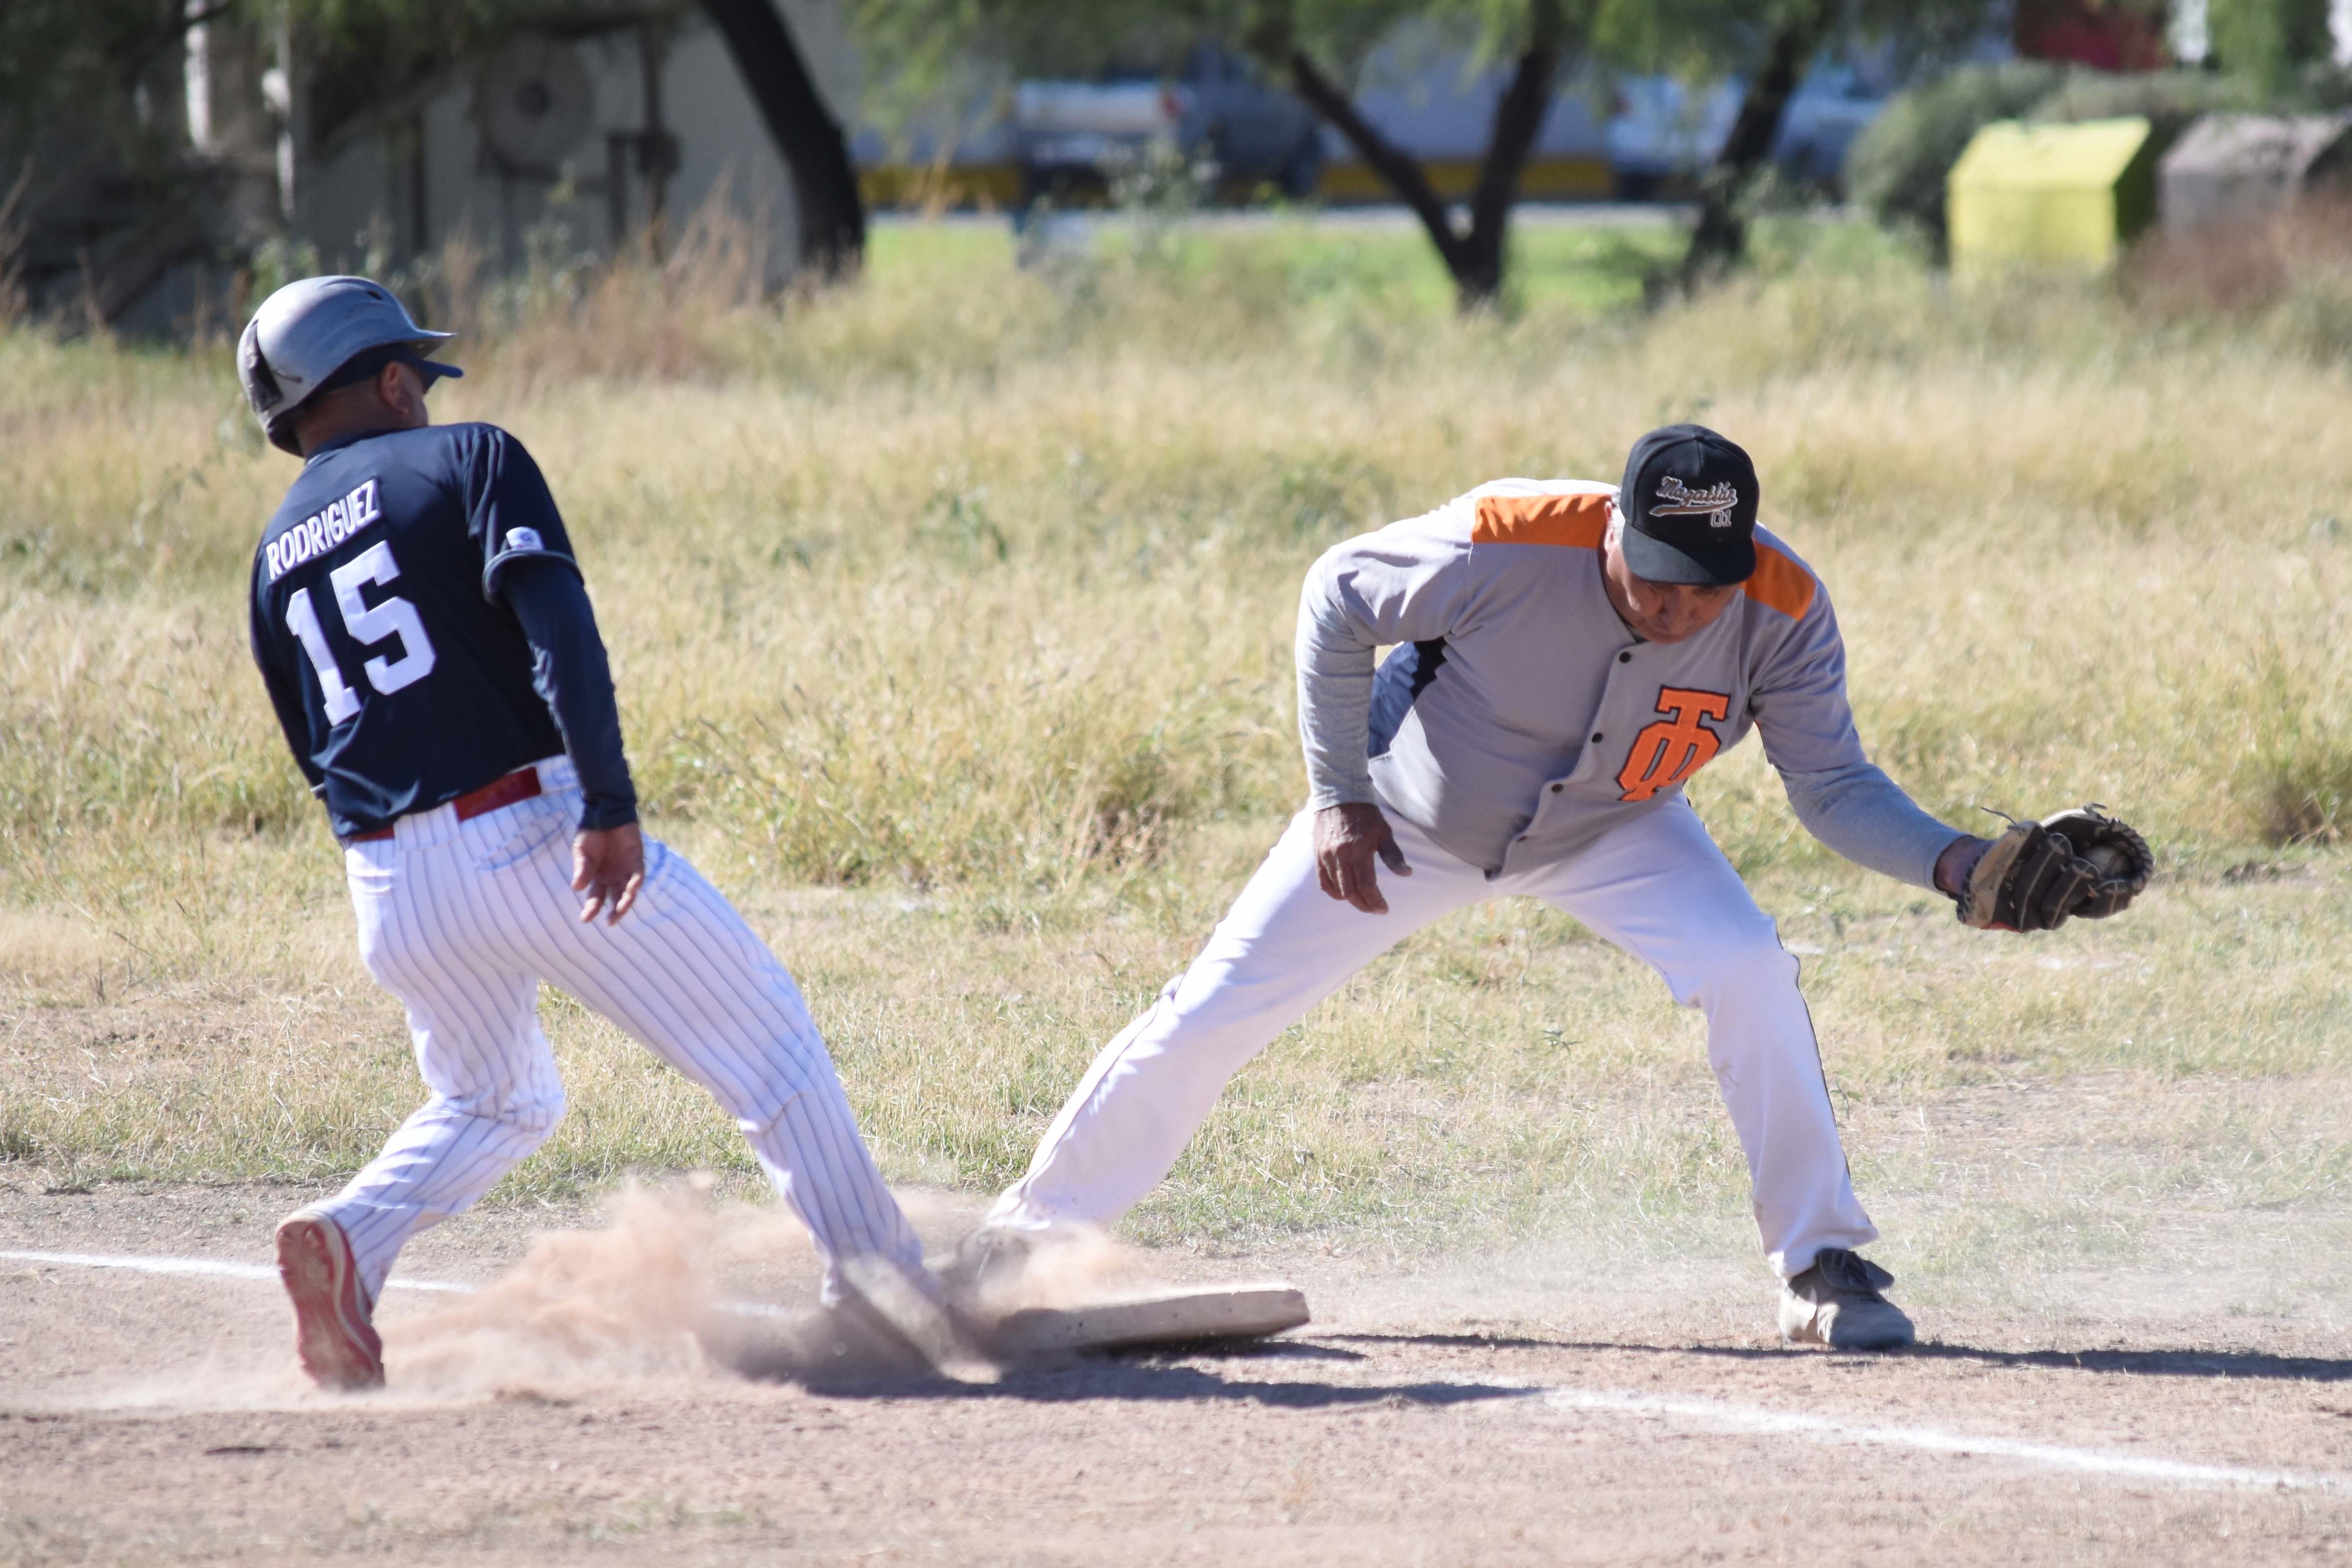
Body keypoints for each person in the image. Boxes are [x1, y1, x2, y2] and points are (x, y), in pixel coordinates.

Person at [963, 425, 2102, 1350]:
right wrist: (1335, 792)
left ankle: (1822, 1266)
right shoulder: (1508, 538)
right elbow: (1334, 594)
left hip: (1617, 829)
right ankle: (1020, 1243)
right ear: (1615, 524)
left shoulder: (1783, 608)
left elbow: (1833, 783)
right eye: (1653, 576)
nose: (1673, 609)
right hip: (1403, 817)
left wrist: (1957, 866)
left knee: (1748, 965)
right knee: (1216, 1008)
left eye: (1702, 590)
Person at [238, 276, 949, 1389]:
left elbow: (307, 744)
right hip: (527, 830)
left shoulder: (273, 554)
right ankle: (882, 1286)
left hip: (387, 878)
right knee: (764, 1038)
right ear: (383, 377)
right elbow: (558, 628)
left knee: (496, 1099)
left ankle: (349, 1235)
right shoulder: (468, 459)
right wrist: (607, 803)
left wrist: (409, 862)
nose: (423, 396)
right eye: (414, 377)